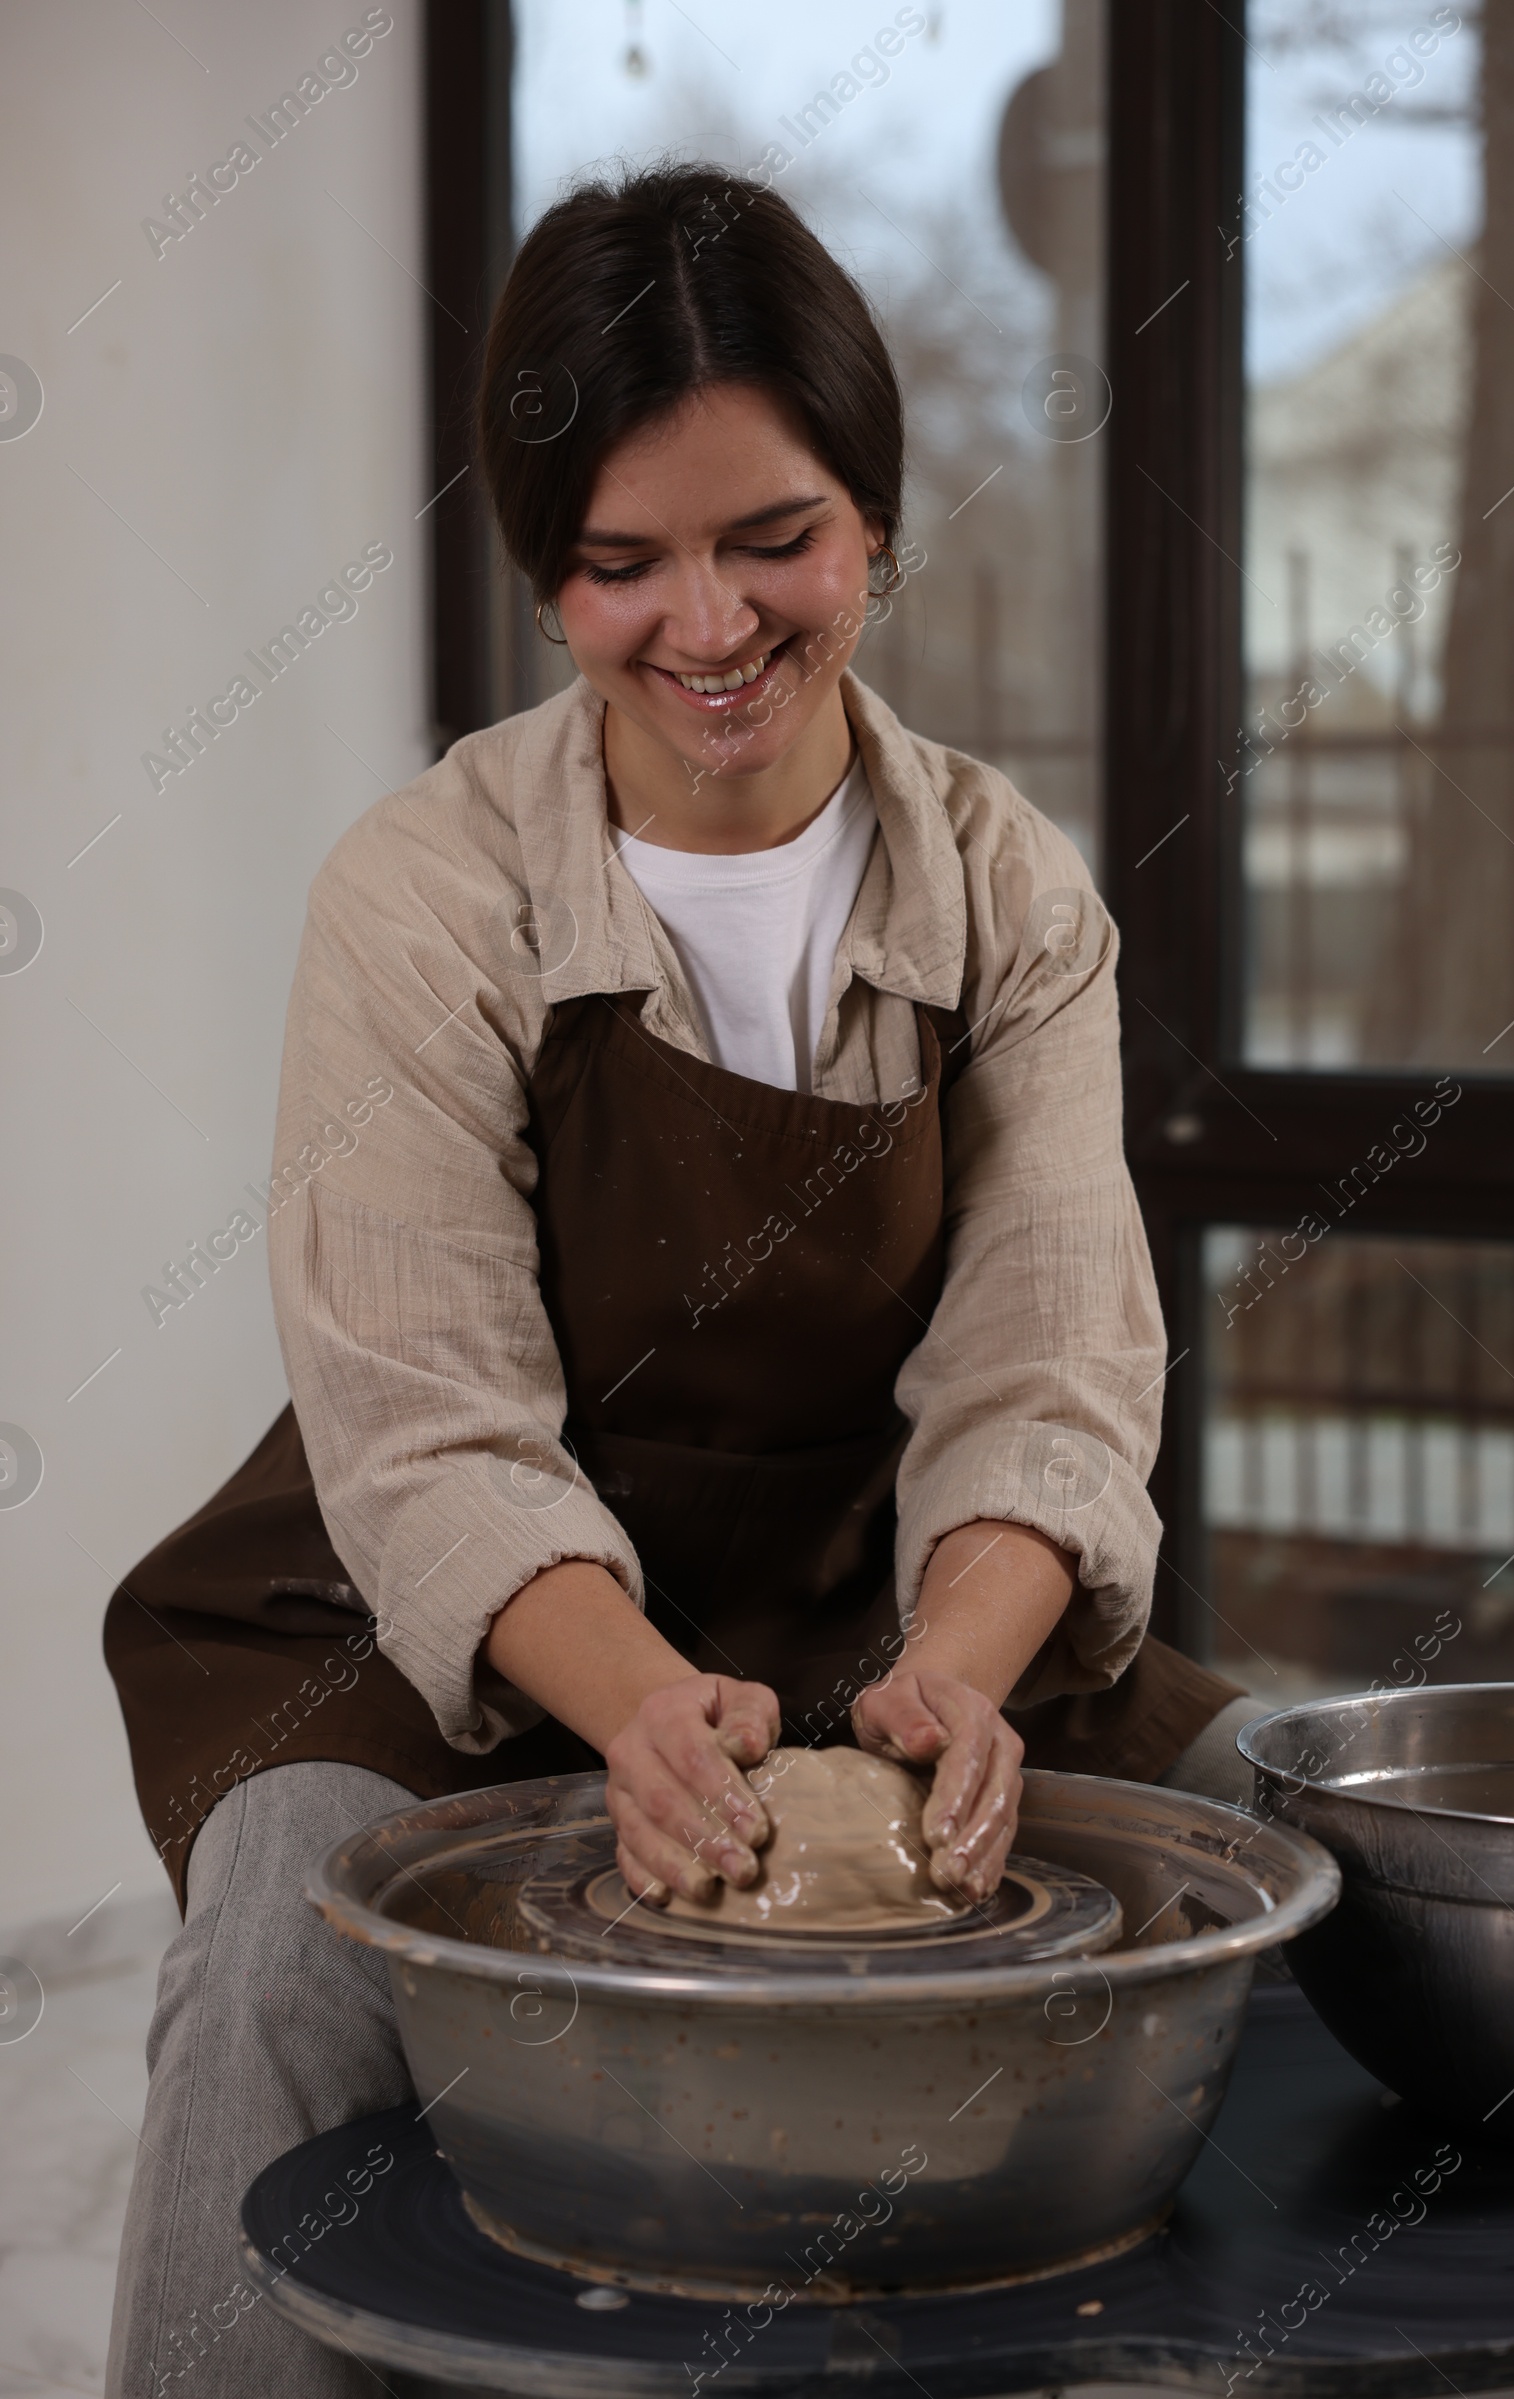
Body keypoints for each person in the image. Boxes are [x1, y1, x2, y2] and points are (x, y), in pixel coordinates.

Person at [103, 162, 1252, 2398]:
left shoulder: (1008, 894)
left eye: (773, 540)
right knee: (278, 1945)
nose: (707, 628)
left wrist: (953, 1684)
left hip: (878, 1605)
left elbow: (1049, 1360)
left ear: (876, 525)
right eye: (620, 564)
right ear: (544, 574)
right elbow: (426, 1423)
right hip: (436, 1627)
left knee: (1274, 1860)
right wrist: (628, 1704)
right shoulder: (427, 898)